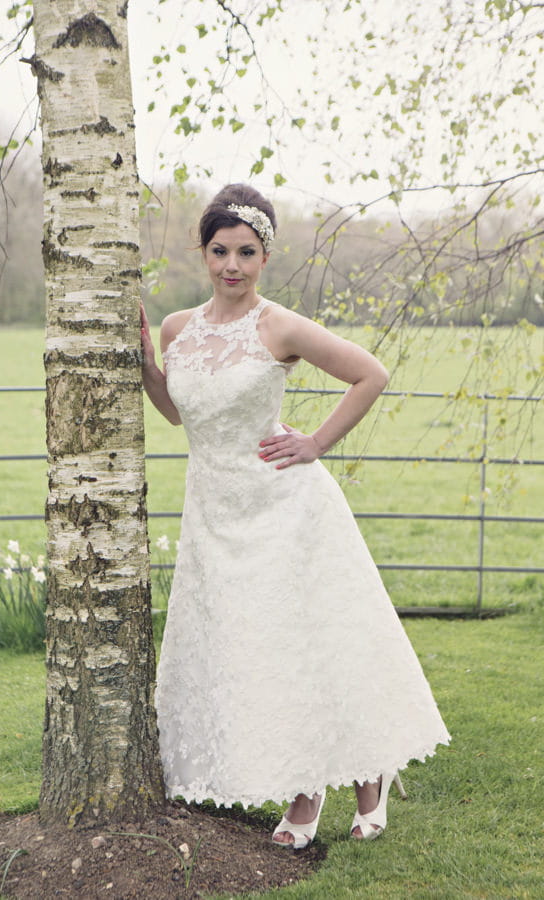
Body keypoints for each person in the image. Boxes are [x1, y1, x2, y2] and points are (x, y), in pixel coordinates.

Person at [140, 183, 450, 848]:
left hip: (283, 506)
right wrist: (146, 367)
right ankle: (353, 771)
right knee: (248, 652)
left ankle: (316, 790)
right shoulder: (177, 330)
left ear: (265, 255)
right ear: (203, 252)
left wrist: (315, 443)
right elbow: (179, 414)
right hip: (213, 514)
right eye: (220, 250)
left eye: (246, 252)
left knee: (300, 644)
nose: (232, 264)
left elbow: (371, 374)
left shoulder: (278, 326)